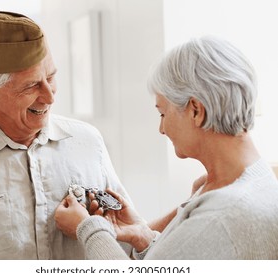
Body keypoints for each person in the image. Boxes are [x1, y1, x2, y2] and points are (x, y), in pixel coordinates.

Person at [55, 36, 278, 259]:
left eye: (163, 113)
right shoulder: (254, 180)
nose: (161, 129)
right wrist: (144, 236)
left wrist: (88, 228)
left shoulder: (219, 216)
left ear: (195, 111)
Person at [0, 11, 133, 259]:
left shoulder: (88, 141)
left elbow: (129, 240)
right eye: (32, 85)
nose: (50, 96)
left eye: (51, 77)